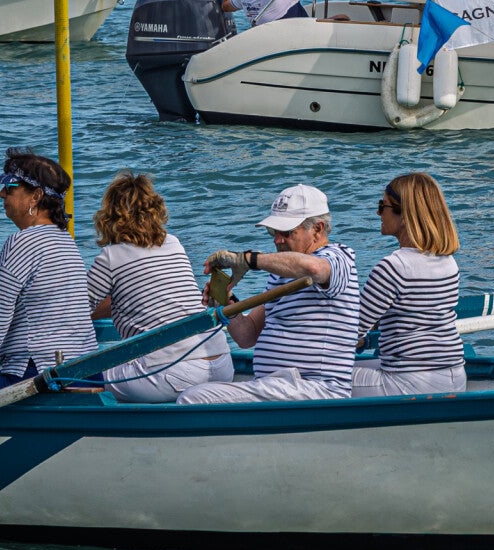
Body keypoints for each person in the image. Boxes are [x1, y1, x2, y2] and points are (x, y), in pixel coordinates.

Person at [177, 184, 363, 404]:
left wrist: (249, 260)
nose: (277, 240)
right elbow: (247, 336)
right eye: (273, 232)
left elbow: (315, 269)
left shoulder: (339, 257)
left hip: (316, 388)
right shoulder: (281, 273)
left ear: (317, 229)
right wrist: (226, 303)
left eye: (286, 232)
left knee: (193, 398)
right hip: (277, 386)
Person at [89, 172, 232, 403]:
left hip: (172, 374)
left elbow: (76, 311)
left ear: (109, 217)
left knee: (83, 378)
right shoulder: (173, 242)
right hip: (222, 363)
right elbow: (142, 297)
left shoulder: (110, 257)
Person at [0, 150, 94, 386]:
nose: (1, 193)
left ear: (36, 196)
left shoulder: (21, 242)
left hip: (42, 374)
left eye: (10, 187)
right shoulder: (65, 240)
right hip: (85, 369)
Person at [347, 173, 466, 397]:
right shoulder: (449, 262)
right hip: (455, 377)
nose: (378, 213)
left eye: (383, 206)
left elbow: (350, 332)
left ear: (404, 215)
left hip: (408, 382)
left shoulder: (393, 267)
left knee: (318, 376)